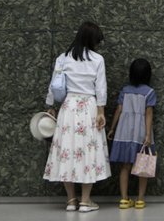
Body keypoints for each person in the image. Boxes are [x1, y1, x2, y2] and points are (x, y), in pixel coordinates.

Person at [43, 21, 111, 213]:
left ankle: (71, 200)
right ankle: (85, 201)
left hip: (68, 108)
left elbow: (54, 85)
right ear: (92, 40)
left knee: (67, 152)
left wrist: (51, 107)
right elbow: (101, 88)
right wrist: (101, 112)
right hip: (88, 108)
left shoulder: (63, 58)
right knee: (87, 153)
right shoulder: (97, 59)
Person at [107, 58, 156, 210]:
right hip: (141, 132)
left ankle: (124, 199)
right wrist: (148, 135)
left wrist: (112, 129)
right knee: (143, 166)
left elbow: (118, 110)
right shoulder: (149, 92)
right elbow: (148, 114)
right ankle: (140, 199)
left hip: (124, 132)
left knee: (125, 166)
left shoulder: (125, 90)